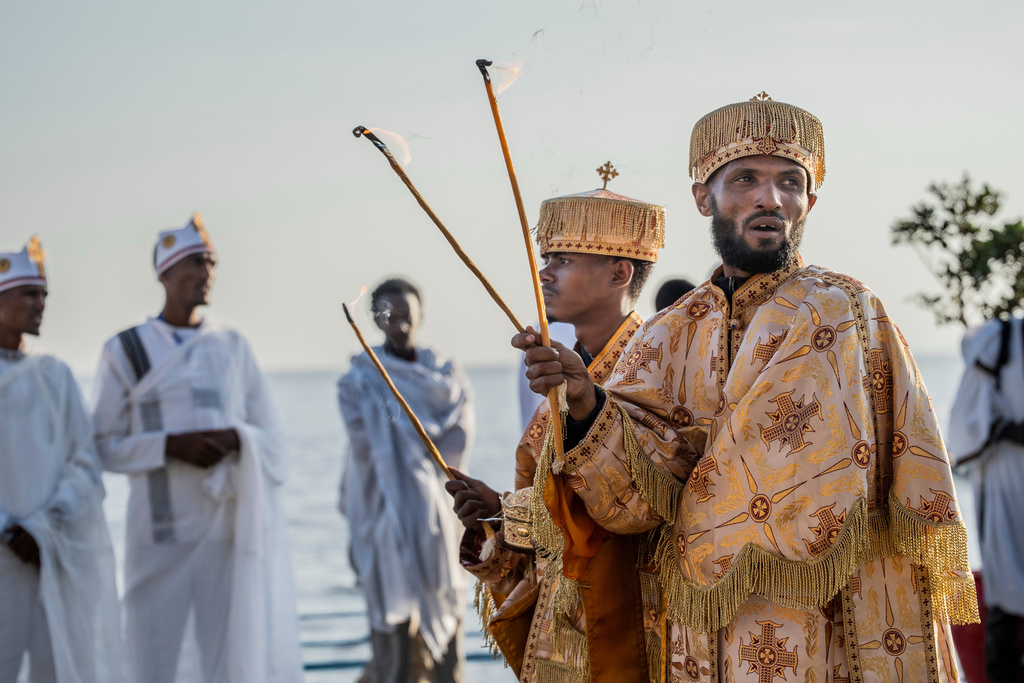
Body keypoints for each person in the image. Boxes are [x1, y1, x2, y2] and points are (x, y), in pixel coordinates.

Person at [514, 94, 977, 681]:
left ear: (810, 200)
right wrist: (585, 402)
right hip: (697, 638)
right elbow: (630, 501)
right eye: (746, 180)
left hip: (819, 624)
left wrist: (659, 462)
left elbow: (784, 479)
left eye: (790, 182)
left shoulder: (839, 310)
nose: (770, 198)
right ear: (704, 197)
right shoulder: (669, 330)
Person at [446, 173, 666, 681]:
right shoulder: (559, 379)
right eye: (546, 260)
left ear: (618, 274)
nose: (543, 274)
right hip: (563, 635)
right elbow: (548, 509)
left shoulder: (659, 367)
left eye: (561, 261)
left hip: (635, 628)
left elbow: (652, 502)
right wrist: (498, 518)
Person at [91, 214, 303, 683]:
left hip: (225, 533)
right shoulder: (127, 349)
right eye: (193, 262)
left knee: (224, 658)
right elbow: (103, 447)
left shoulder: (230, 346)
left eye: (211, 262)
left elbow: (272, 442)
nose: (206, 272)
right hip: (158, 535)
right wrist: (169, 446)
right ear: (164, 273)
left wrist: (237, 439)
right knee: (152, 659)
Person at [338, 277, 474, 683]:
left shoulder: (446, 376)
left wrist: (415, 450)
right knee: (394, 622)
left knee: (446, 613)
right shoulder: (361, 378)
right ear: (376, 320)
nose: (399, 325)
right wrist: (405, 444)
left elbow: (456, 443)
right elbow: (365, 447)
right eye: (390, 317)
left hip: (436, 511)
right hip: (384, 512)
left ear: (420, 316)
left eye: (407, 316)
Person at [0, 237, 121, 683]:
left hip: (53, 552)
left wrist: (44, 525)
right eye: (28, 294)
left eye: (44, 294)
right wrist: (7, 528)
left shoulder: (56, 373)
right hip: (4, 553)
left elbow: (85, 462)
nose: (40, 304)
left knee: (57, 669)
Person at [948, 316, 1024, 683]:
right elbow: (963, 427)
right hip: (1005, 487)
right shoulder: (1001, 342)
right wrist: (1009, 430)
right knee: (1006, 596)